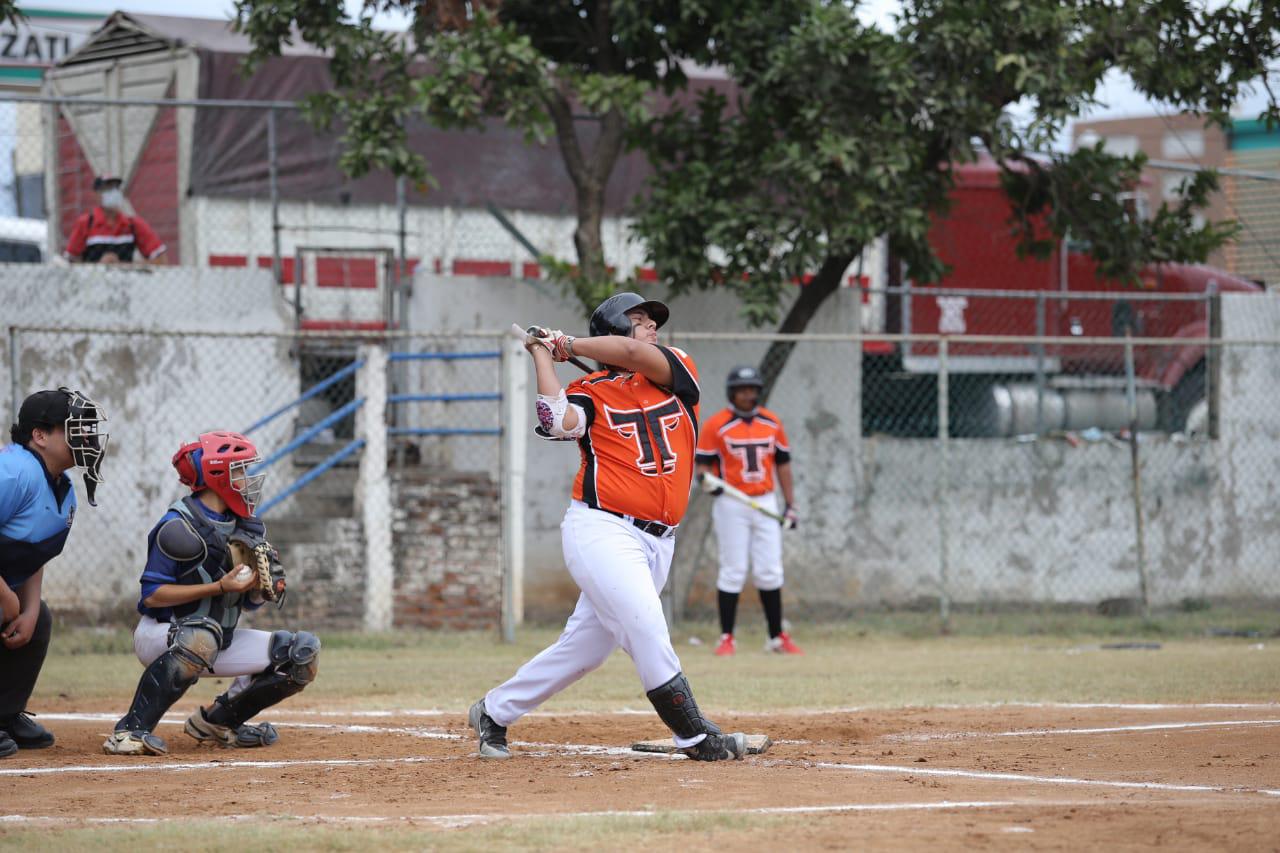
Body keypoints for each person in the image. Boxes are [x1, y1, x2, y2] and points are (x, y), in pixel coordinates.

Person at [468, 293, 747, 762]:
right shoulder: (592, 391)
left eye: (651, 321)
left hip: (659, 540)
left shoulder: (677, 369)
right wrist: (542, 354)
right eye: (639, 321)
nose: (651, 327)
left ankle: (493, 711)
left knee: (585, 651)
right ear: (615, 329)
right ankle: (695, 736)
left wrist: (569, 342)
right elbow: (556, 419)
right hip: (601, 529)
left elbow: (636, 356)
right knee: (644, 621)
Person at [103, 431, 319, 756]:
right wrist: (220, 586)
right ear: (217, 476)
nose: (247, 479)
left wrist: (261, 589)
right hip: (163, 635)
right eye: (239, 470)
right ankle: (130, 732)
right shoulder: (179, 527)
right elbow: (152, 596)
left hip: (217, 639)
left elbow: (245, 602)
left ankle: (219, 722)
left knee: (301, 653)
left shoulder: (246, 525)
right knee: (201, 637)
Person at [0, 387, 108, 757]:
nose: (86, 437)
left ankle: (6, 714)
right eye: (74, 428)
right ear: (40, 436)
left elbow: (33, 553)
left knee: (40, 619)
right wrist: (6, 598)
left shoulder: (63, 489)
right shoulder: (13, 471)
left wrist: (27, 610)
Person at [695, 366, 802, 657]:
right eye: (743, 390)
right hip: (732, 503)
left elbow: (783, 464)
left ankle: (777, 637)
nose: (748, 395)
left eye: (752, 389)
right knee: (733, 569)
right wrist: (708, 483)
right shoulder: (716, 425)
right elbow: (702, 466)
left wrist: (790, 504)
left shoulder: (772, 422)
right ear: (732, 392)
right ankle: (726, 637)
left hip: (765, 501)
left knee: (770, 570)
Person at [64, 175, 166, 264]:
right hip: (93, 283)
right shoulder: (86, 224)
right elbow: (69, 262)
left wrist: (124, 266)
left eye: (116, 188)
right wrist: (98, 266)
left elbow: (161, 260)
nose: (113, 193)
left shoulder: (133, 225)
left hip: (126, 282)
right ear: (96, 195)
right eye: (107, 189)